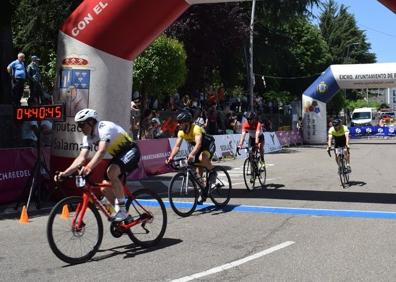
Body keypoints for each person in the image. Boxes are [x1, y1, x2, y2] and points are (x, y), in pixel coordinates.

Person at [54, 109, 140, 221]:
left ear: (91, 122)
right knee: (104, 188)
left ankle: (122, 211)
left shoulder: (104, 128)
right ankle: (124, 217)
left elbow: (101, 151)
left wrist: (89, 167)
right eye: (78, 126)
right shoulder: (88, 137)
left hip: (131, 150)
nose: (80, 128)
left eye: (82, 125)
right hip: (118, 156)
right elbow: (81, 158)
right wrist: (64, 173)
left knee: (112, 172)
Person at [166, 111, 216, 198]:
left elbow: (199, 144)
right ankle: (203, 189)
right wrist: (171, 157)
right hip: (198, 148)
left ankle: (213, 172)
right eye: (178, 122)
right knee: (197, 166)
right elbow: (177, 146)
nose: (178, 124)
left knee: (201, 158)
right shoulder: (181, 132)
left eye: (180, 122)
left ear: (187, 123)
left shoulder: (195, 128)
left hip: (207, 145)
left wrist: (192, 154)